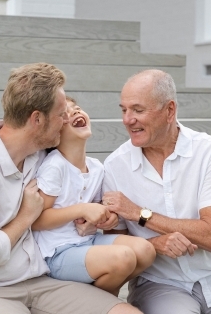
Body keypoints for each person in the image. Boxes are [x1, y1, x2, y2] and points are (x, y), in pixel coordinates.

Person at [0, 63, 143, 314]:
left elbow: (75, 184)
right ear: (37, 119)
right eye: (62, 114)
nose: (67, 120)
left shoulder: (41, 154)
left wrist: (92, 219)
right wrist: (25, 216)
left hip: (39, 281)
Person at [100, 69, 211, 314]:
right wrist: (155, 244)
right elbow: (115, 248)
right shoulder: (114, 167)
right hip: (160, 285)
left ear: (170, 110)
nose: (127, 119)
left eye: (138, 110)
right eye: (124, 110)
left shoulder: (208, 151)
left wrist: (141, 214)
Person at [32, 96, 156, 296]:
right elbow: (36, 220)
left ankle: (92, 300)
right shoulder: (55, 166)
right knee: (123, 258)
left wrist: (107, 219)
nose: (75, 112)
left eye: (77, 108)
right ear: (54, 130)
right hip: (58, 253)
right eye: (65, 113)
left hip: (87, 243)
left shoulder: (97, 167)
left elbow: (100, 208)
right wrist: (81, 210)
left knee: (145, 250)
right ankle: (97, 303)